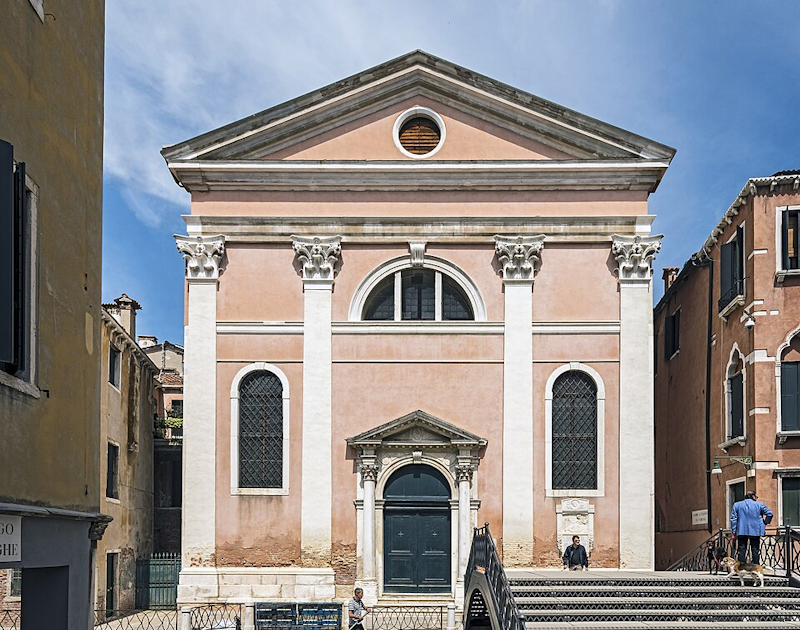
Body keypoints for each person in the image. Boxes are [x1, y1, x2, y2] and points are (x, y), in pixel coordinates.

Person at [730, 491, 773, 564]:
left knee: (742, 550)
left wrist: (734, 531)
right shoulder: (760, 505)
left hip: (741, 530)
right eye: (756, 497)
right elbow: (770, 513)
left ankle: (741, 568)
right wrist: (765, 523)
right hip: (756, 530)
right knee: (755, 549)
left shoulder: (737, 505)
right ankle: (755, 568)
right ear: (753, 497)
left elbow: (733, 519)